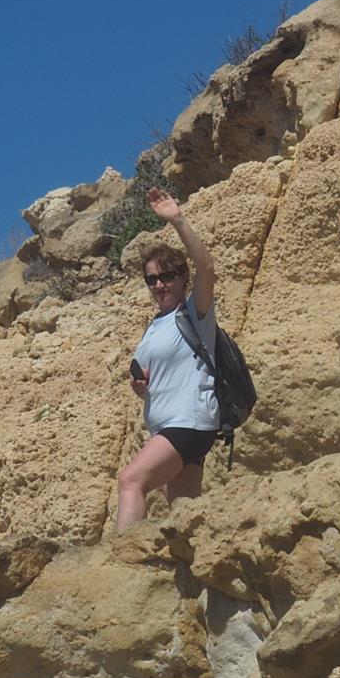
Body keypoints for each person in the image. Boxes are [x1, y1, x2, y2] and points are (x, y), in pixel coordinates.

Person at [115, 187, 220, 531]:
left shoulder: (193, 313)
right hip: (171, 426)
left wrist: (178, 220)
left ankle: (118, 557)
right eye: (152, 280)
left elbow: (206, 267)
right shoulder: (154, 326)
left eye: (167, 276)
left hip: (188, 421)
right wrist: (140, 385)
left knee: (130, 480)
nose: (159, 285)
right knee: (183, 518)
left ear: (182, 277)